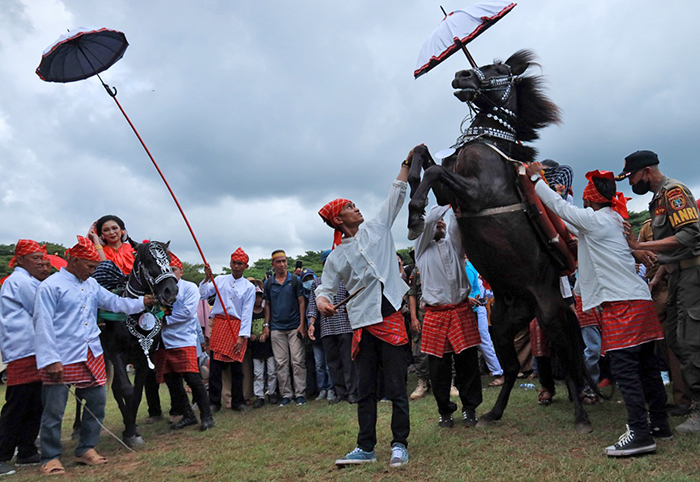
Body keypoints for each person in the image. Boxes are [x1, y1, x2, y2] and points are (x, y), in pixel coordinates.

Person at [527, 164, 669, 457]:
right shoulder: (614, 220)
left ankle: (640, 434)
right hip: (640, 301)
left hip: (621, 306)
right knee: (647, 366)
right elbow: (572, 228)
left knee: (625, 370)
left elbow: (557, 207)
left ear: (589, 200)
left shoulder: (594, 221)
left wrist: (535, 178)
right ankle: (659, 423)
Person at [316, 151, 412, 468]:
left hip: (391, 317)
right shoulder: (336, 257)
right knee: (365, 390)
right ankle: (365, 447)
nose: (356, 208)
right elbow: (325, 289)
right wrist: (323, 303)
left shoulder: (378, 228)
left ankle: (399, 444)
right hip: (364, 326)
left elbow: (396, 195)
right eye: (349, 207)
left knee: (397, 387)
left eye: (355, 205)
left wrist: (406, 165)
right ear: (338, 220)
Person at [33, 236, 154, 475]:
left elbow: (116, 303)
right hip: (62, 355)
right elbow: (42, 324)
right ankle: (50, 457)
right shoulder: (51, 286)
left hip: (91, 353)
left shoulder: (92, 285)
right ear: (74, 260)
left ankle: (86, 448)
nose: (93, 270)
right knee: (54, 409)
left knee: (97, 403)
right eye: (90, 266)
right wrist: (50, 359)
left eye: (95, 266)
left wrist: (143, 301)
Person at [619, 149, 700, 435]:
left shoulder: (674, 192)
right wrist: (656, 280)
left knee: (691, 342)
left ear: (647, 172)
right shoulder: (658, 200)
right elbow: (674, 250)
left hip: (693, 275)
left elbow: (689, 236)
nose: (631, 184)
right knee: (677, 341)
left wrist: (640, 247)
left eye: (632, 177)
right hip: (677, 275)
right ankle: (691, 401)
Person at [414, 206, 482, 428]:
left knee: (468, 363)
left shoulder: (455, 245)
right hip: (436, 314)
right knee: (439, 368)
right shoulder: (421, 247)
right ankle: (445, 411)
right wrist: (445, 202)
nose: (440, 223)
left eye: (442, 222)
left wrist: (452, 207)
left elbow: (455, 224)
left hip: (461, 310)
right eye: (436, 223)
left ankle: (469, 409)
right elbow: (431, 218)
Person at [0, 240, 51, 476]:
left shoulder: (29, 281)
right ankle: (2, 454)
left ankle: (27, 449)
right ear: (19, 260)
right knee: (18, 403)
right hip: (23, 349)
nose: (40, 262)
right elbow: (41, 308)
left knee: (35, 401)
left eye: (42, 258)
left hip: (33, 348)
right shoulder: (20, 281)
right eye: (35, 258)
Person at [155, 253, 214, 431]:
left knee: (193, 379)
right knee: (172, 382)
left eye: (173, 270)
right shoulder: (158, 287)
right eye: (167, 270)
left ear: (181, 271)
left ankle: (206, 416)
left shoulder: (189, 287)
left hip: (183, 339)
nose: (171, 274)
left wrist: (162, 319)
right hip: (163, 341)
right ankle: (188, 415)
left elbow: (188, 313)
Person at [200, 248, 255, 413]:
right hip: (219, 324)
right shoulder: (220, 280)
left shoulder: (248, 287)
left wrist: (241, 336)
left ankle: (238, 401)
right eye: (234, 263)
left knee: (237, 368)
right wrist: (206, 278)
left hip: (237, 327)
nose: (237, 266)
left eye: (240, 264)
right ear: (230, 264)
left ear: (246, 266)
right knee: (216, 367)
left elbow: (247, 313)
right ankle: (214, 402)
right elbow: (202, 294)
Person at [307, 250, 358, 404]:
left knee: (348, 361)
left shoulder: (345, 279)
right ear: (324, 264)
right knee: (333, 362)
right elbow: (312, 305)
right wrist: (311, 324)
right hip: (327, 328)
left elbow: (354, 299)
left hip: (345, 326)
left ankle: (352, 393)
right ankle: (339, 392)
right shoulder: (317, 282)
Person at [261, 250, 307, 406]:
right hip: (276, 327)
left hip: (294, 326)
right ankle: (286, 394)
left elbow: (302, 302)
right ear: (273, 264)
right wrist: (266, 326)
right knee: (281, 363)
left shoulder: (294, 280)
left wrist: (302, 324)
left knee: (297, 361)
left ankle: (300, 393)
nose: (282, 264)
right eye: (278, 262)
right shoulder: (268, 283)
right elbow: (267, 305)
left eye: (284, 261)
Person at [465, 257, 504, 386]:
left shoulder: (468, 267)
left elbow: (474, 290)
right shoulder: (461, 266)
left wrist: (468, 298)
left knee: (483, 340)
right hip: (468, 309)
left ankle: (499, 372)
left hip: (476, 308)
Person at [302, 268, 333, 400]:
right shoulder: (306, 300)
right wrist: (311, 324)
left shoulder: (327, 293)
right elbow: (310, 313)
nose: (309, 282)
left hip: (327, 332)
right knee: (319, 364)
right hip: (314, 336)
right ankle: (322, 389)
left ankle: (331, 388)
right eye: (305, 280)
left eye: (311, 278)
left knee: (328, 364)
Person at [249, 280, 277, 408]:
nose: (258, 300)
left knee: (271, 371)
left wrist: (266, 334)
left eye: (260, 297)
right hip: (256, 347)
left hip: (268, 345)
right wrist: (251, 335)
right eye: (255, 297)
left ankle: (272, 393)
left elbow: (270, 325)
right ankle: (259, 395)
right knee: (258, 373)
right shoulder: (249, 313)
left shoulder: (266, 311)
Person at [407, 259, 431, 400]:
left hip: (441, 311)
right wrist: (414, 317)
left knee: (445, 348)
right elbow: (412, 294)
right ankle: (422, 382)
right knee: (421, 350)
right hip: (423, 315)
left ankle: (450, 382)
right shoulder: (417, 269)